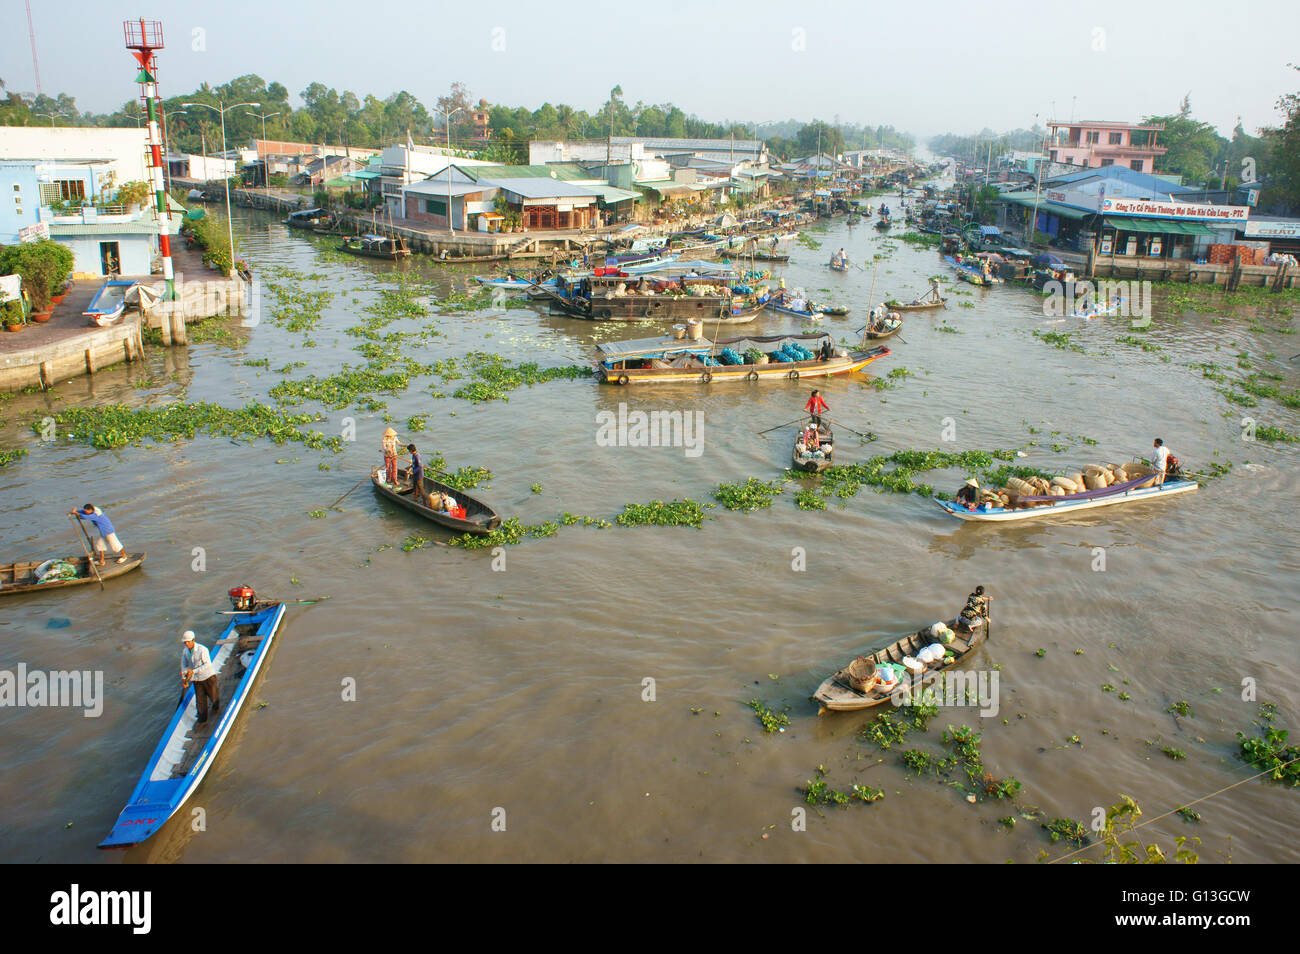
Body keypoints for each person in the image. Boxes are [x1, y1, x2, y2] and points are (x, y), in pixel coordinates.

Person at [180, 629, 220, 726]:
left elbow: (207, 664)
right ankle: (202, 721)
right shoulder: (185, 651)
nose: (187, 644)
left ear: (193, 640)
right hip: (196, 680)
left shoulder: (202, 649)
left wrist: (193, 671)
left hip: (208, 677)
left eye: (188, 642)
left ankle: (216, 707)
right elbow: (183, 664)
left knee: (213, 696)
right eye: (185, 642)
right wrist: (184, 674)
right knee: (200, 701)